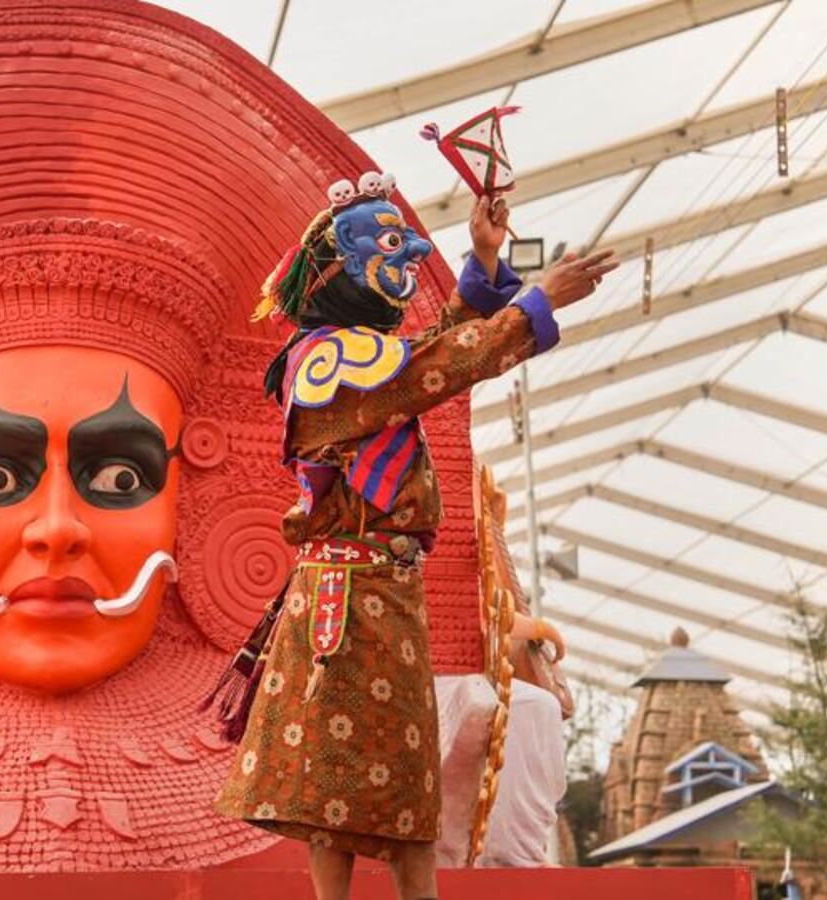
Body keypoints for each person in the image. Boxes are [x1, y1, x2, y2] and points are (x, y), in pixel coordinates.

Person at [214, 181, 616, 900]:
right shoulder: (325, 364)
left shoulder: (362, 361)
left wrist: (484, 263)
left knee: (402, 781)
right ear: (340, 270)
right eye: (393, 245)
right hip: (349, 598)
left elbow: (426, 356)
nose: (413, 254)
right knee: (333, 786)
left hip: (383, 594)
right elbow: (438, 366)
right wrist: (536, 301)